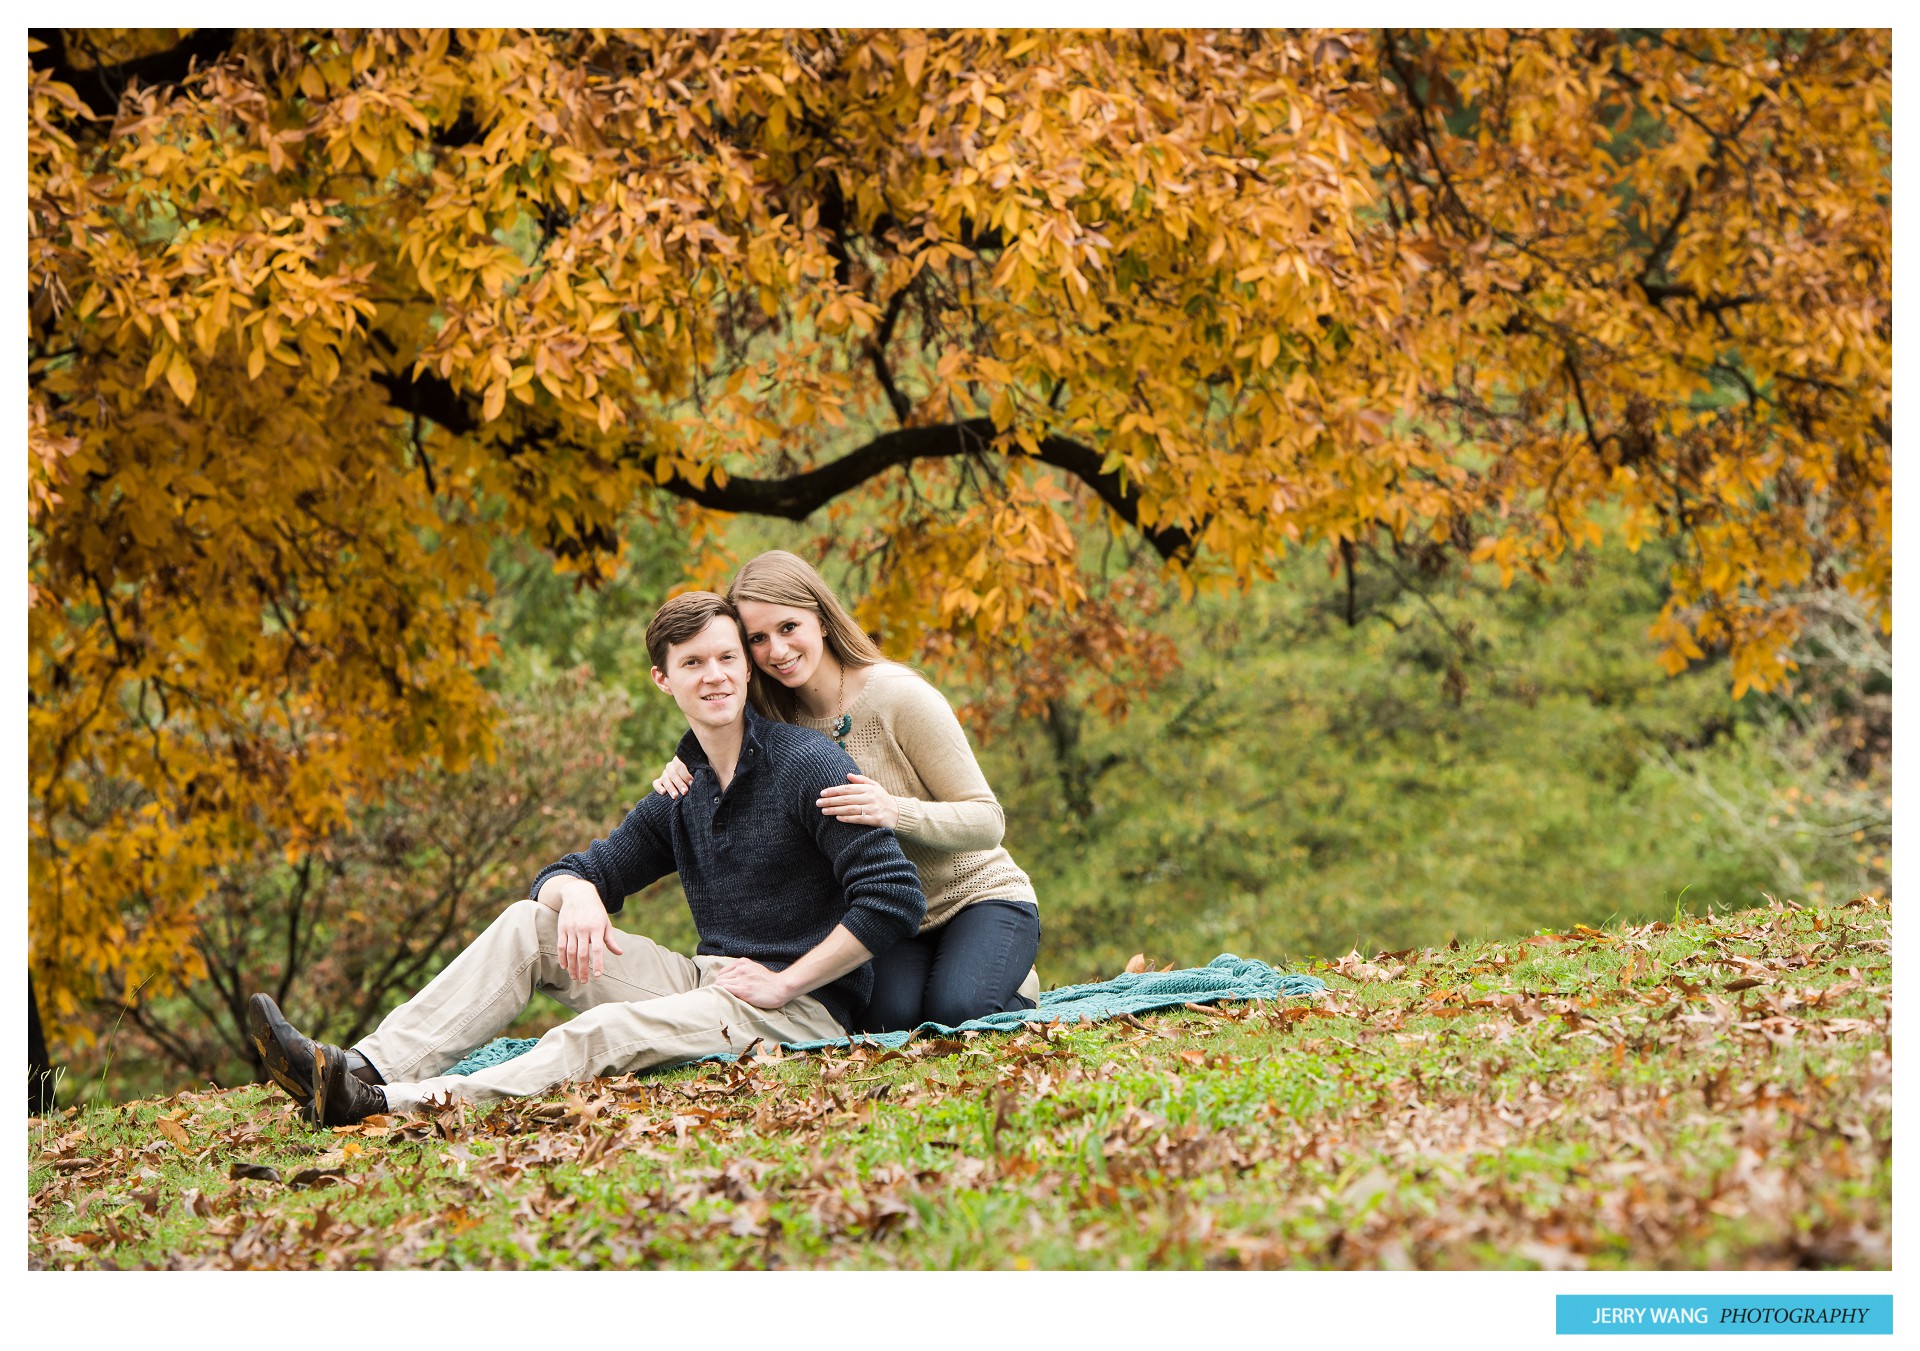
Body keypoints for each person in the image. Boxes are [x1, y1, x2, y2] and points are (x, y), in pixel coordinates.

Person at [247, 591, 927, 1127]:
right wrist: (573, 890)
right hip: (703, 980)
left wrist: (784, 985)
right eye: (693, 663)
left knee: (601, 1030)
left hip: (796, 1006)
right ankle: (360, 1065)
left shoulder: (808, 763)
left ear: (747, 667)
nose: (714, 675)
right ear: (663, 679)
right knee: (528, 922)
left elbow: (894, 895)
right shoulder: (682, 788)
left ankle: (387, 1104)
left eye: (726, 658)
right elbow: (583, 866)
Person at [652, 551, 1040, 1033]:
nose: (777, 650)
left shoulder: (899, 696)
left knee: (958, 1012)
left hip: (977, 898)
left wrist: (894, 811)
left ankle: (1014, 981)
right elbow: (713, 724)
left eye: (789, 627)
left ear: (821, 619)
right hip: (895, 919)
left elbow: (988, 821)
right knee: (885, 1024)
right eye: (758, 638)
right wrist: (685, 765)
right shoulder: (777, 723)